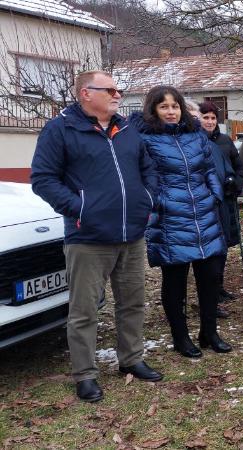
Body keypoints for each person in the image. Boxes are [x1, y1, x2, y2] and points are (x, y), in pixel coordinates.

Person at [30, 70, 163, 403]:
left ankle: (131, 359)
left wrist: (147, 199)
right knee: (85, 310)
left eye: (119, 89)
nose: (118, 94)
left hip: (131, 235)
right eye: (111, 89)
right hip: (87, 238)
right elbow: (43, 179)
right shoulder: (60, 129)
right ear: (86, 93)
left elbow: (147, 168)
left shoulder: (128, 129)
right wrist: (80, 209)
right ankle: (85, 375)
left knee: (132, 302)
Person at [130, 85, 232, 358]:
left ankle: (209, 332)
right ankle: (180, 337)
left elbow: (209, 168)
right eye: (164, 106)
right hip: (170, 218)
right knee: (175, 282)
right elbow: (142, 177)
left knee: (210, 277)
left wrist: (215, 195)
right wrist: (157, 203)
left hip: (204, 213)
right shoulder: (144, 139)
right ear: (153, 110)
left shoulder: (195, 134)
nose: (171, 112)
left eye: (175, 106)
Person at [200, 101, 243, 304]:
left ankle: (219, 286)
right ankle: (208, 289)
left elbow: (239, 167)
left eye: (212, 118)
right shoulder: (194, 141)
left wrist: (235, 184)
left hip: (226, 201)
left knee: (224, 244)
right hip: (206, 204)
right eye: (206, 117)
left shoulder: (226, 141)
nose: (210, 122)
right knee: (208, 248)